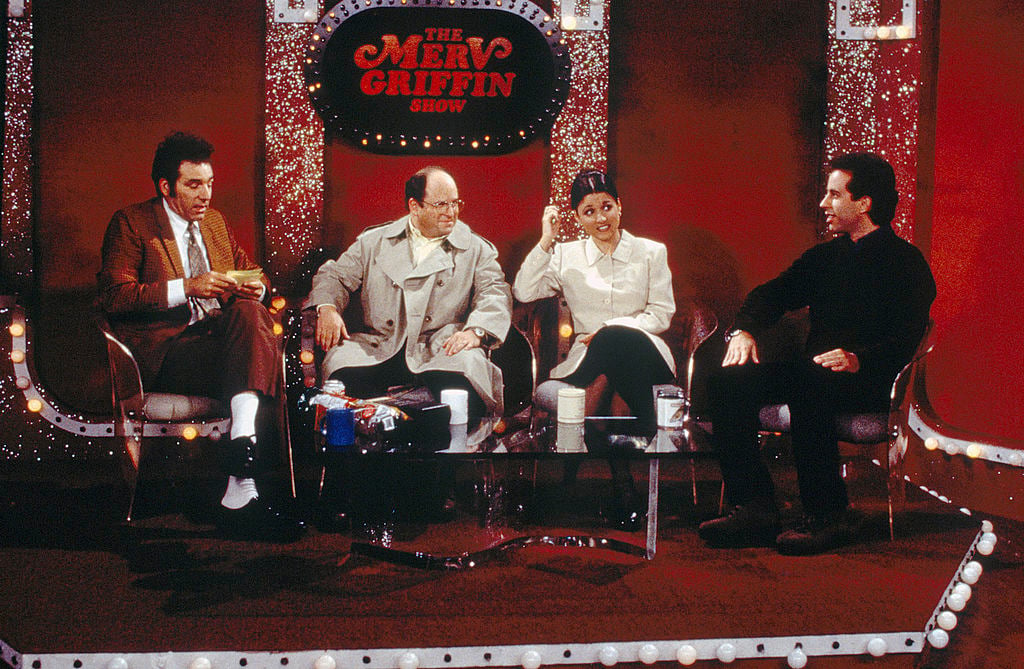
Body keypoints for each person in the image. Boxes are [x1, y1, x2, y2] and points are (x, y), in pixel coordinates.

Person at [698, 152, 936, 555]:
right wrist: (744, 330)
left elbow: (906, 339)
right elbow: (771, 294)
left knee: (809, 384)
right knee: (726, 380)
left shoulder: (906, 264)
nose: (824, 204)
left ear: (864, 203)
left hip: (872, 380)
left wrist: (859, 358)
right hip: (817, 373)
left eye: (834, 195)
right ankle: (755, 505)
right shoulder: (826, 257)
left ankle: (827, 515)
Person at [97, 131, 304, 542]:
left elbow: (255, 272)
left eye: (209, 182)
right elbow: (115, 296)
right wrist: (187, 286)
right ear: (166, 187)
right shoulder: (132, 224)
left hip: (221, 351)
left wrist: (255, 288)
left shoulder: (214, 223)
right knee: (253, 327)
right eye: (194, 184)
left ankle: (241, 479)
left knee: (252, 308)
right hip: (167, 354)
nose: (206, 194)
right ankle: (247, 474)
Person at [307, 166, 512, 527]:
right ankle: (349, 489)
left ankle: (435, 489)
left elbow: (496, 292)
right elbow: (335, 276)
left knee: (459, 386)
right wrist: (327, 308)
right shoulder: (375, 242)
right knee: (341, 384)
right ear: (414, 207)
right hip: (380, 347)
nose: (452, 213)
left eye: (456, 204)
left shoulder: (475, 249)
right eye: (441, 205)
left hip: (438, 348)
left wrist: (476, 332)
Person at [513, 169, 676, 529]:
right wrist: (545, 241)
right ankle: (625, 479)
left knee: (616, 339)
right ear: (576, 218)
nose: (600, 218)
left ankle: (576, 475)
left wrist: (614, 329)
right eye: (589, 211)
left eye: (606, 206)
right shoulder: (565, 255)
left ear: (620, 206)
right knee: (613, 391)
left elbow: (661, 314)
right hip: (588, 363)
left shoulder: (651, 252)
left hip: (644, 352)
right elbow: (523, 292)